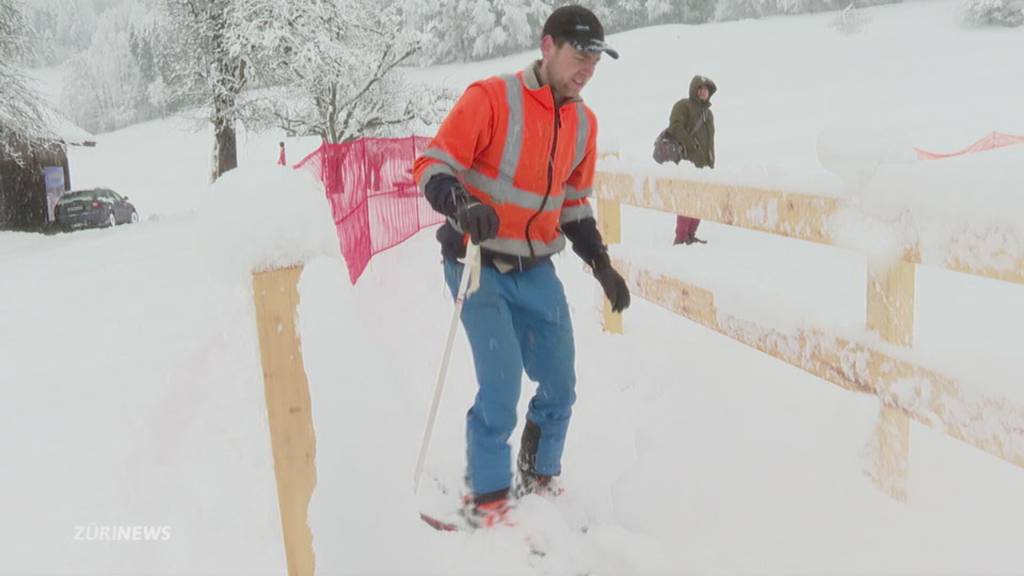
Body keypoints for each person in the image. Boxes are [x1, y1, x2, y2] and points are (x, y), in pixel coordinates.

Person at [413, 4, 630, 528]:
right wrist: (462, 204)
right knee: (502, 384)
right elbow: (432, 166)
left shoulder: (583, 122)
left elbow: (574, 205)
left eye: (595, 61)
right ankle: (488, 499)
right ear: (548, 46)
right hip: (477, 263)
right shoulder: (492, 99)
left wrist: (601, 264)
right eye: (580, 55)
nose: (587, 69)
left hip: (536, 271)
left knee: (560, 383)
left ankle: (537, 475)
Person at [654, 75, 717, 245]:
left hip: (704, 165)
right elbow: (675, 127)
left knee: (701, 200)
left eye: (706, 90)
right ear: (694, 89)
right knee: (687, 199)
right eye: (700, 88)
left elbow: (710, 141)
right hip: (687, 163)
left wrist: (711, 161)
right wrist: (691, 146)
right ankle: (681, 237)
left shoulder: (708, 114)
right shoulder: (683, 106)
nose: (704, 92)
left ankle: (691, 234)